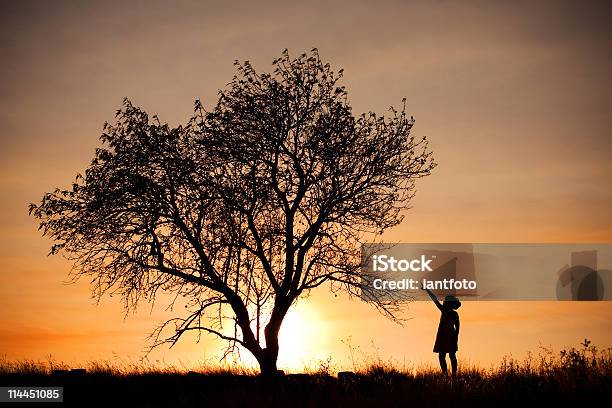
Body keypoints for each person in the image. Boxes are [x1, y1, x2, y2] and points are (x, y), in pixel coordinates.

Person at [423, 286, 461, 378]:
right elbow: (435, 299)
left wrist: (455, 337)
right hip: (445, 336)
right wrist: (427, 290)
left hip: (448, 336)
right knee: (444, 356)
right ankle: (447, 374)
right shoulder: (446, 311)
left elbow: (458, 327)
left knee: (449, 355)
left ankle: (452, 375)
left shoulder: (451, 313)